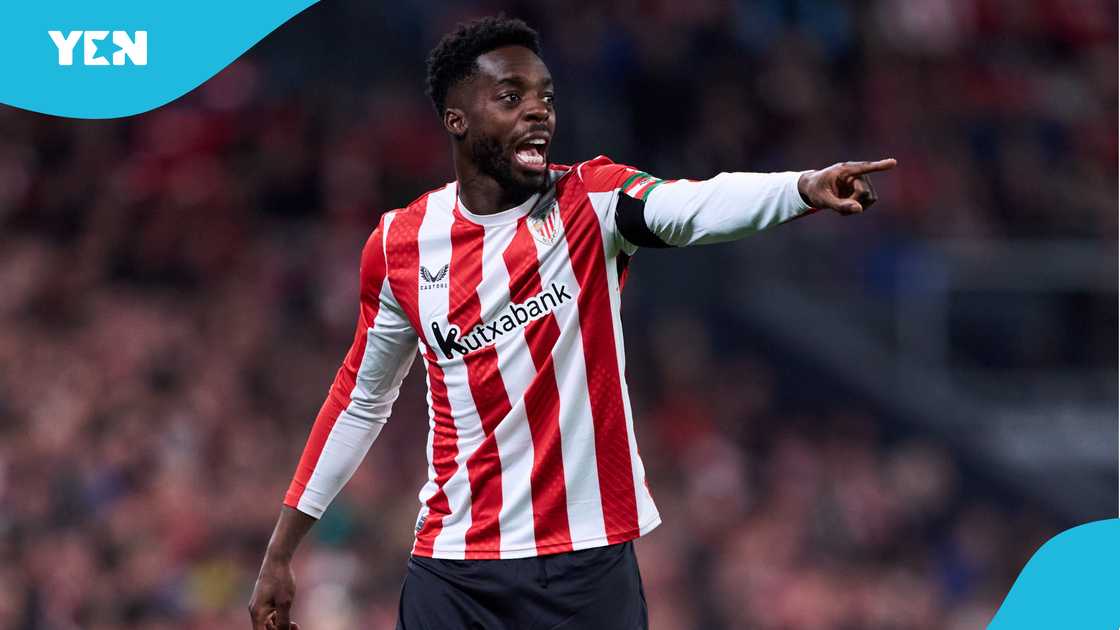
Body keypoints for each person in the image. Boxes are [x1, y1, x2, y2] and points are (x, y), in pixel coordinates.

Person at [249, 15, 895, 630]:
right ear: (457, 119)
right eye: (511, 96)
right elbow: (361, 399)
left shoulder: (592, 202)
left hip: (584, 567)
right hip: (453, 569)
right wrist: (282, 550)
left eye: (546, 97)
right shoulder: (399, 246)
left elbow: (693, 205)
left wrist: (801, 188)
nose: (539, 110)